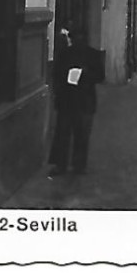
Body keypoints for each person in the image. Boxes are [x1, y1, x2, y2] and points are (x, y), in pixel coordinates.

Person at [48, 27, 104, 175]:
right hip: (84, 100)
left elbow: (56, 75)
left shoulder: (65, 54)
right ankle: (77, 165)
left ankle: (62, 165)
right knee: (80, 135)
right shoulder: (93, 54)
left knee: (64, 133)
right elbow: (100, 76)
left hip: (69, 99)